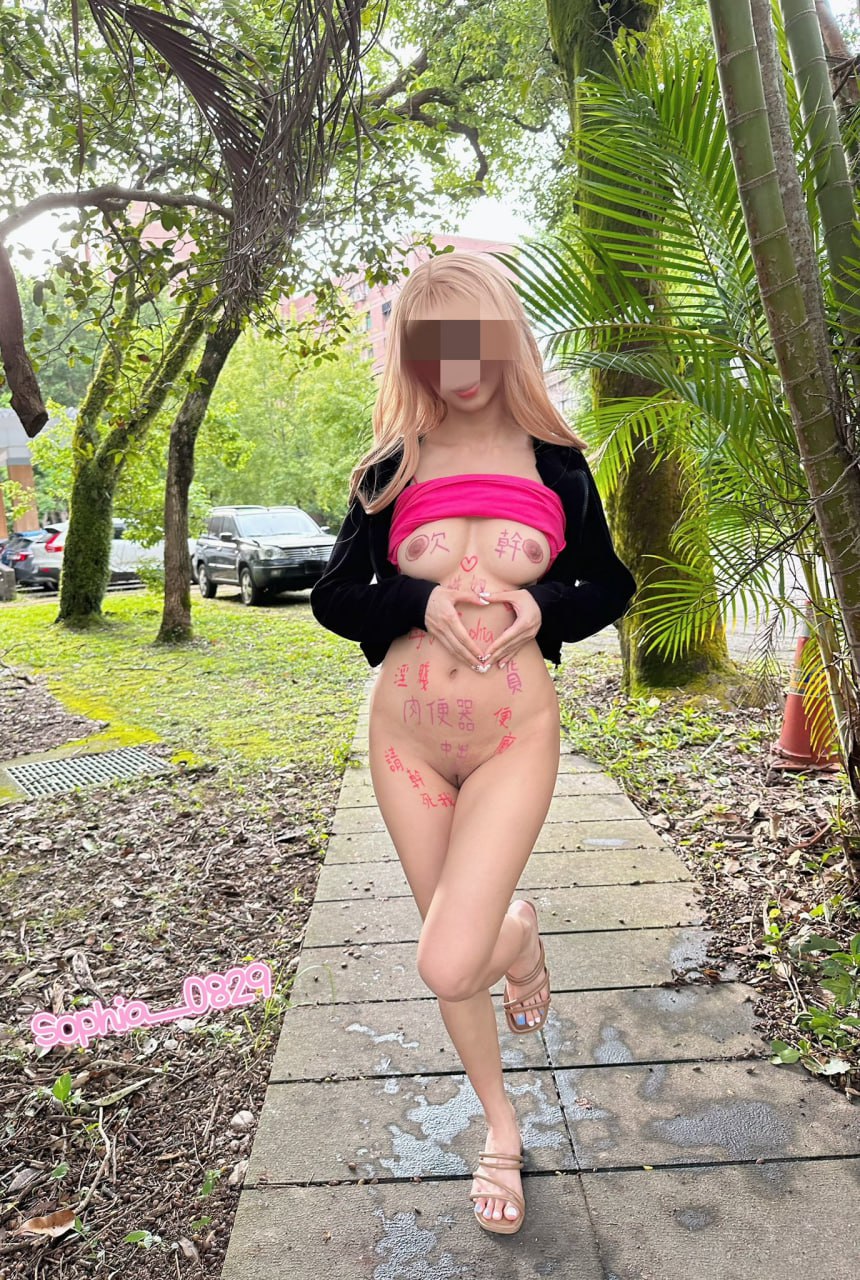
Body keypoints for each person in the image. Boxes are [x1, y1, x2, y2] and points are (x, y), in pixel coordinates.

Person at [311, 249, 636, 1235]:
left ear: (502, 336)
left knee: (451, 959)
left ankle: (517, 937)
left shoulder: (555, 462)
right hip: (405, 742)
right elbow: (335, 595)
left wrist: (542, 608)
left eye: (472, 338)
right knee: (445, 944)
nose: (455, 364)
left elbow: (609, 584)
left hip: (510, 735)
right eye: (432, 343)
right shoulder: (390, 465)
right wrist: (417, 602)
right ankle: (500, 1123)